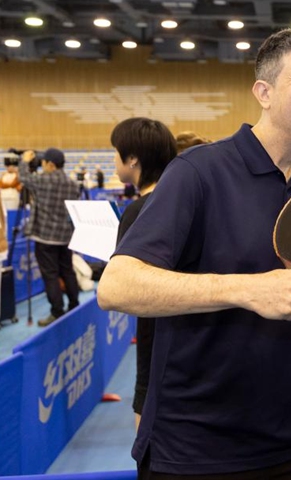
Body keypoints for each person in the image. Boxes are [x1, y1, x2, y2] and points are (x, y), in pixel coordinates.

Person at [97, 28, 291, 479]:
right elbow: (116, 286)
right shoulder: (196, 172)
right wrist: (246, 290)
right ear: (264, 92)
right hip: (197, 447)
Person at [109, 117, 178, 432]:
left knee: (150, 445)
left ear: (133, 159)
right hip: (190, 345)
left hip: (157, 345)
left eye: (116, 152)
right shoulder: (181, 201)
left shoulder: (139, 211)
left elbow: (122, 289)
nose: (113, 159)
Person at [18, 148, 81, 327]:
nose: (42, 166)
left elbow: (24, 177)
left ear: (51, 164)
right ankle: (74, 305)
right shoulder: (72, 184)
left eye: (44, 163)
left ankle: (57, 311)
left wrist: (24, 161)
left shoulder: (43, 180)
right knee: (67, 271)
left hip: (45, 238)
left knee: (51, 275)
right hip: (65, 237)